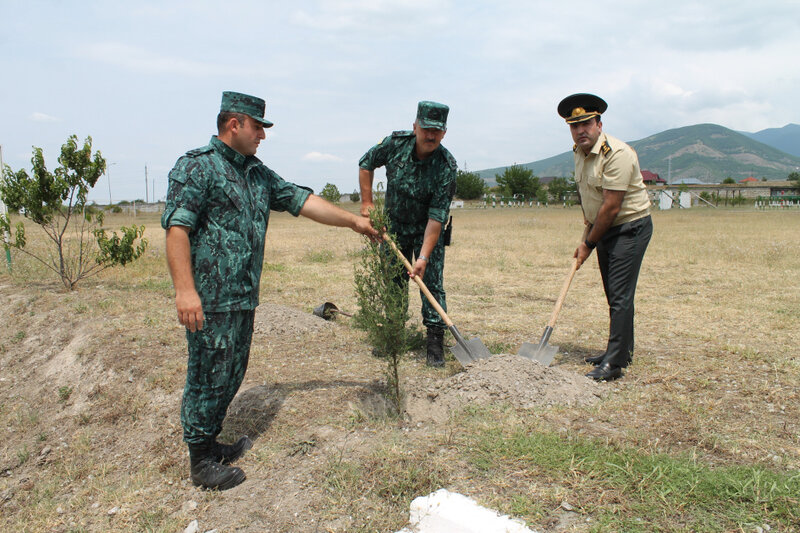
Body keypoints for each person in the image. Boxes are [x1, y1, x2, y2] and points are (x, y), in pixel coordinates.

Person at [162, 91, 378, 491]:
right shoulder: (197, 168)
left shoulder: (257, 174)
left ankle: (211, 442)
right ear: (235, 124)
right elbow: (177, 229)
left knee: (231, 373)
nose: (262, 134)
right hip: (209, 299)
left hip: (243, 296)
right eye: (258, 126)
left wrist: (353, 221)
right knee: (207, 375)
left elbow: (304, 201)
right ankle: (200, 461)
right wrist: (185, 291)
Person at [557, 93, 653, 381]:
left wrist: (588, 244)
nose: (580, 130)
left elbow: (611, 206)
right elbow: (591, 199)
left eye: (586, 123)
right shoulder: (578, 152)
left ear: (599, 124)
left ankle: (614, 363)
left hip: (629, 227)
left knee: (620, 295)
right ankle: (622, 350)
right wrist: (587, 232)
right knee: (614, 293)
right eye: (574, 126)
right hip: (602, 227)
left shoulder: (618, 154)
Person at [358, 101, 457, 367]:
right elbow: (366, 163)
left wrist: (424, 256)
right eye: (426, 129)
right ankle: (393, 334)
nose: (431, 136)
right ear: (415, 127)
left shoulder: (446, 166)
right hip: (395, 230)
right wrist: (367, 202)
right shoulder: (395, 144)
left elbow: (437, 217)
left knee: (432, 285)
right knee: (393, 282)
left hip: (428, 232)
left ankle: (435, 341)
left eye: (437, 130)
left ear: (444, 133)